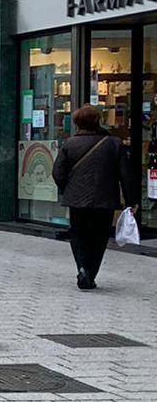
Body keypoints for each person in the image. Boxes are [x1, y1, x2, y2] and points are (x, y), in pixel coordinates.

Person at [52, 105, 138, 290]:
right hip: (104, 199)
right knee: (99, 237)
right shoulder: (114, 143)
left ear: (76, 123)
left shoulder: (69, 144)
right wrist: (131, 201)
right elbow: (126, 174)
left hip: (77, 199)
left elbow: (57, 172)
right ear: (98, 121)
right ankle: (90, 273)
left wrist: (67, 189)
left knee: (78, 234)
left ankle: (82, 268)